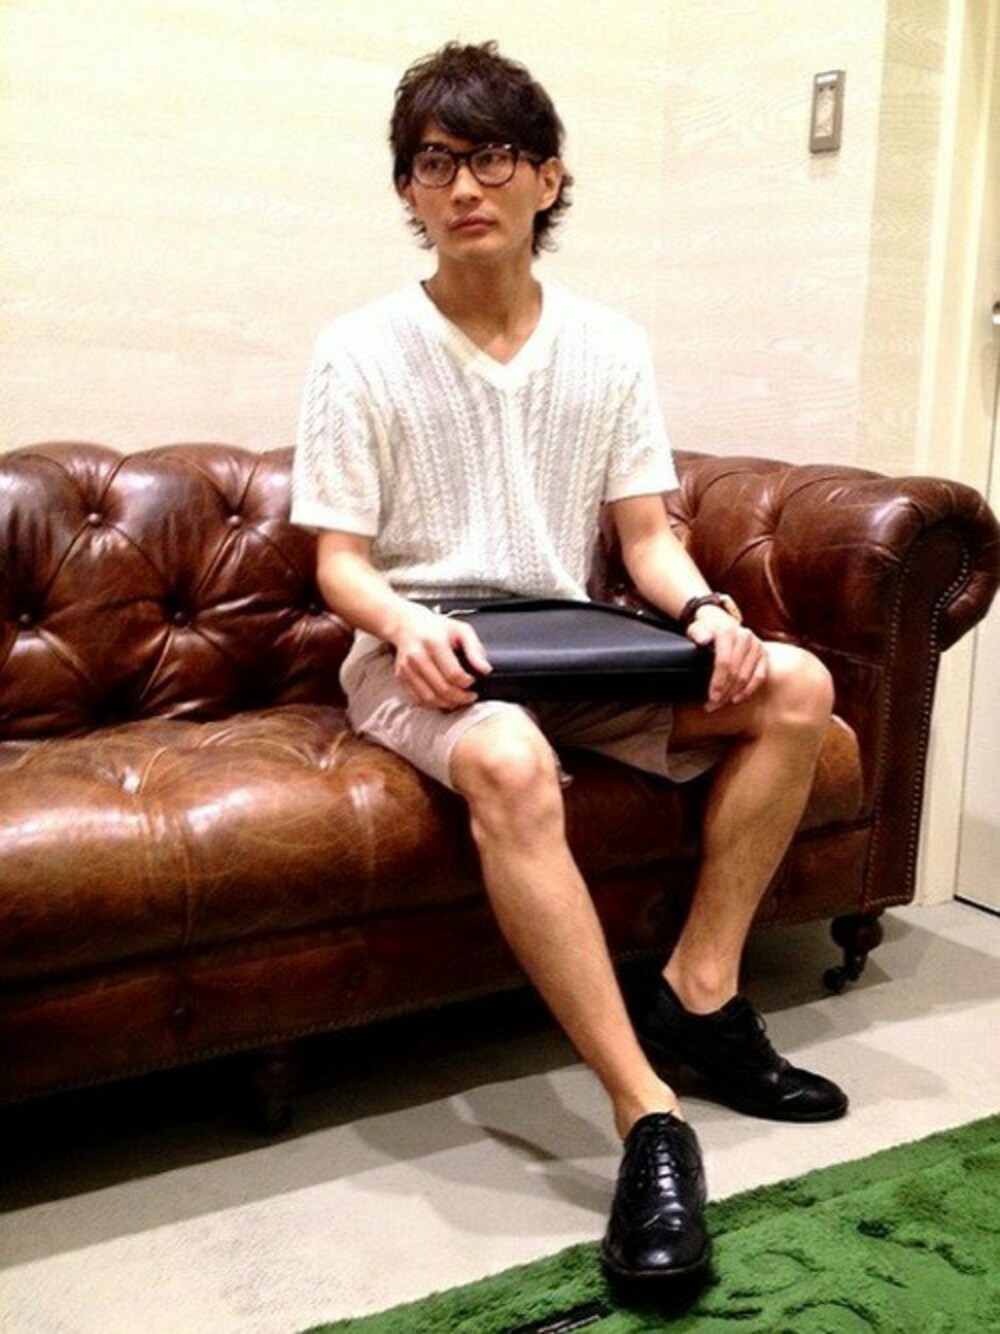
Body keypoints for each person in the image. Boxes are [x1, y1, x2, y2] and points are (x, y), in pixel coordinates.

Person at [292, 40, 848, 1286]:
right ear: (407, 189)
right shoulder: (359, 347)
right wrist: (404, 624)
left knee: (797, 685)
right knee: (503, 752)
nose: (461, 186)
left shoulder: (608, 345)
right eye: (432, 162)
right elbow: (340, 563)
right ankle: (649, 1109)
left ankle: (700, 991)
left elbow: (645, 537)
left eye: (491, 156)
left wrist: (705, 609)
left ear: (547, 177)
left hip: (571, 641)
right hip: (426, 654)